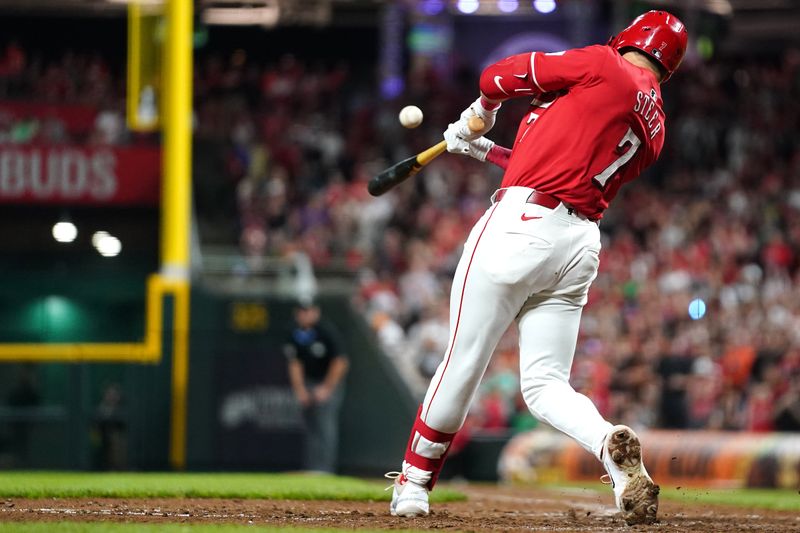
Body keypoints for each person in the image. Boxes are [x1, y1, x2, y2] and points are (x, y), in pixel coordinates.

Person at [386, 11, 688, 526]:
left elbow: (494, 76)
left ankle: (413, 486)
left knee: (462, 362)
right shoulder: (655, 124)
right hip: (577, 245)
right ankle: (610, 451)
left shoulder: (602, 63)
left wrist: (481, 111)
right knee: (547, 383)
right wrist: (483, 149)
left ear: (632, 37)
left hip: (520, 224)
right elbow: (559, 164)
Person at [284, 297, 349, 473]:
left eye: (308, 311)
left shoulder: (326, 331)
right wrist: (300, 390)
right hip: (309, 383)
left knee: (325, 426)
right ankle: (311, 469)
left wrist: (327, 388)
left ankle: (324, 470)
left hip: (327, 383)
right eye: (301, 311)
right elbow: (294, 363)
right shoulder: (295, 332)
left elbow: (340, 362)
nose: (305, 315)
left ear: (316, 312)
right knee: (311, 427)